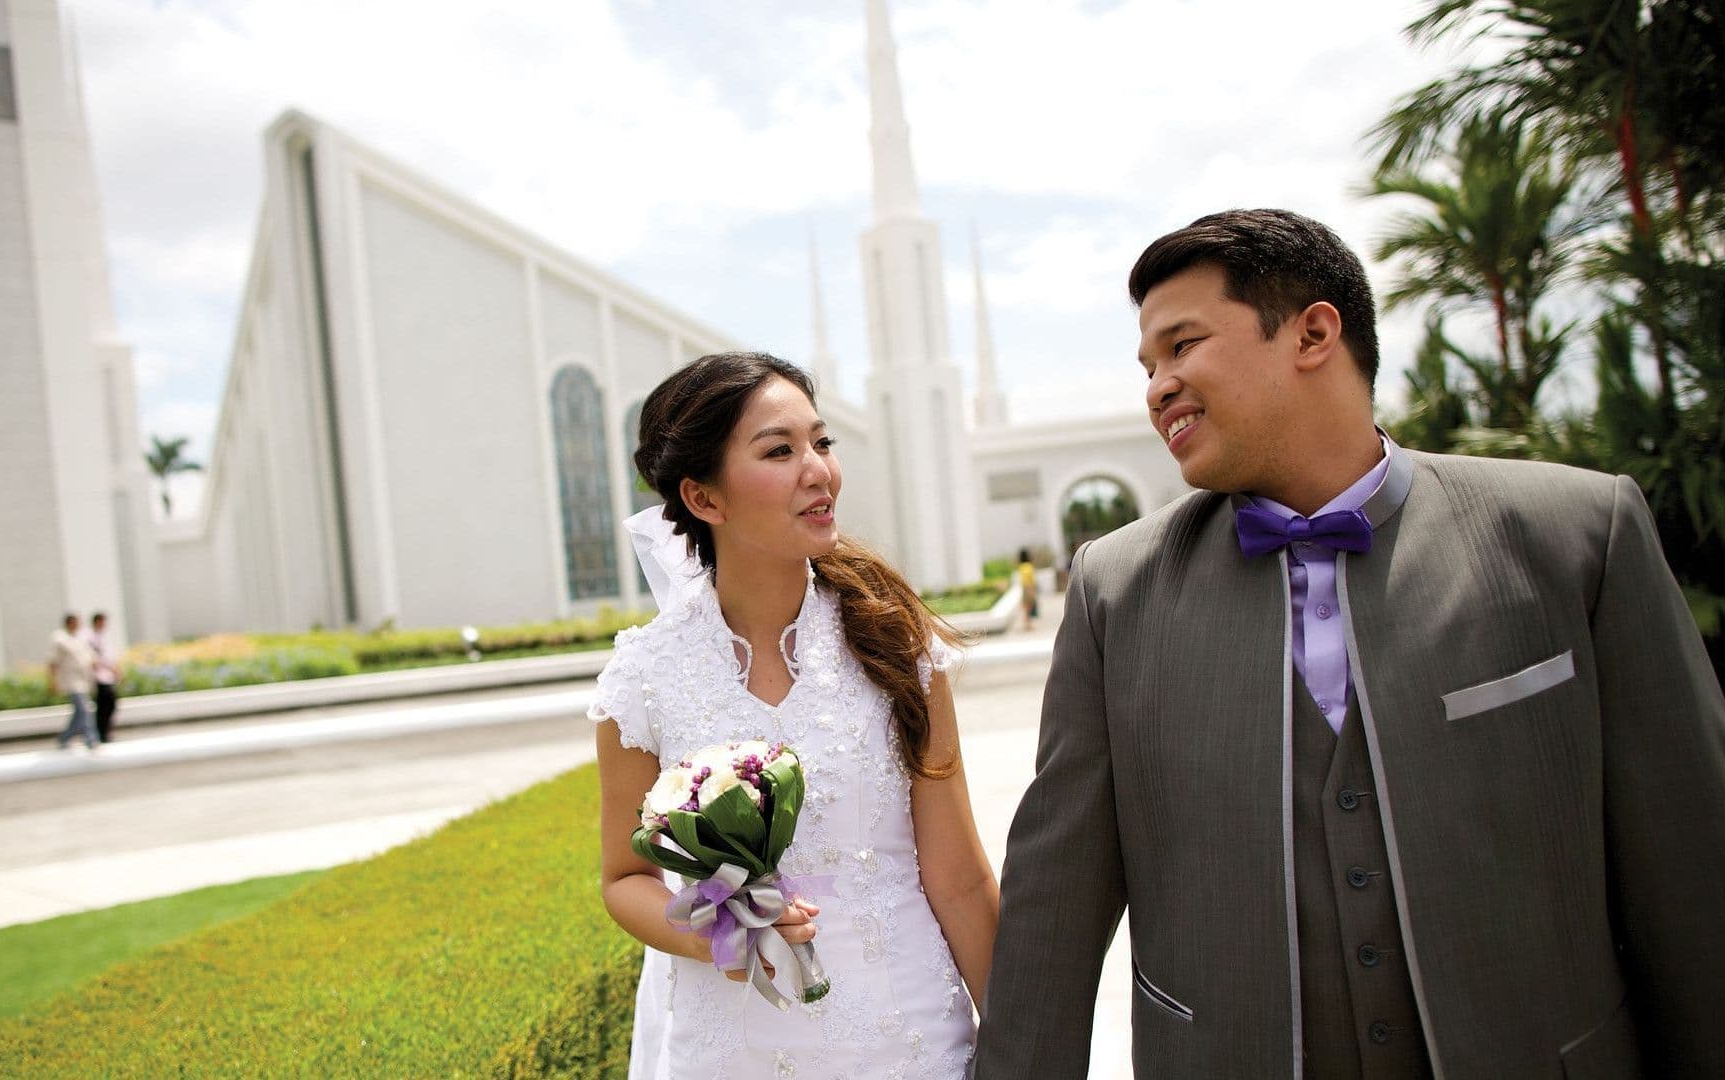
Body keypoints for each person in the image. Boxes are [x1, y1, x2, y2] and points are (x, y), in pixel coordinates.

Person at [977, 210, 1725, 1077]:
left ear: (1314, 333)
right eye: (1148, 366)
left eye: (1182, 345)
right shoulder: (1116, 589)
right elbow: (1054, 901)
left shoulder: (1576, 535)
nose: (1157, 387)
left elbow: (1693, 876)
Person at [592, 352, 997, 1078]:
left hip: (910, 1038)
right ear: (705, 498)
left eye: (822, 443)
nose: (819, 470)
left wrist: (1023, 1040)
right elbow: (625, 879)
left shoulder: (895, 644)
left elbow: (959, 876)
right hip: (737, 1047)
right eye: (780, 451)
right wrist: (715, 930)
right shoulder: (643, 678)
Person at [48, 612, 99, 752]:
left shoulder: (79, 639)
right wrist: (53, 681)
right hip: (70, 680)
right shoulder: (59, 639)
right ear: (69, 623)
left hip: (83, 680)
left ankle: (64, 737)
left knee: (79, 712)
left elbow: (90, 657)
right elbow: (53, 662)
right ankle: (91, 739)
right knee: (84, 709)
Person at [83, 611, 120, 743]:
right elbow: (96, 658)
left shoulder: (105, 636)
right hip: (98, 676)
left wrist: (116, 669)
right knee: (104, 704)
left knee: (110, 704)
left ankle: (104, 732)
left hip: (108, 675)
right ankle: (100, 733)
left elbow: (110, 655)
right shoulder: (90, 637)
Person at [1014, 546, 1037, 629]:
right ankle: (1027, 624)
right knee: (1029, 607)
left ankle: (1026, 624)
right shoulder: (1029, 566)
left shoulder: (1021, 567)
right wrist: (1033, 589)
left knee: (1026, 607)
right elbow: (1031, 579)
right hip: (1029, 588)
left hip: (1024, 588)